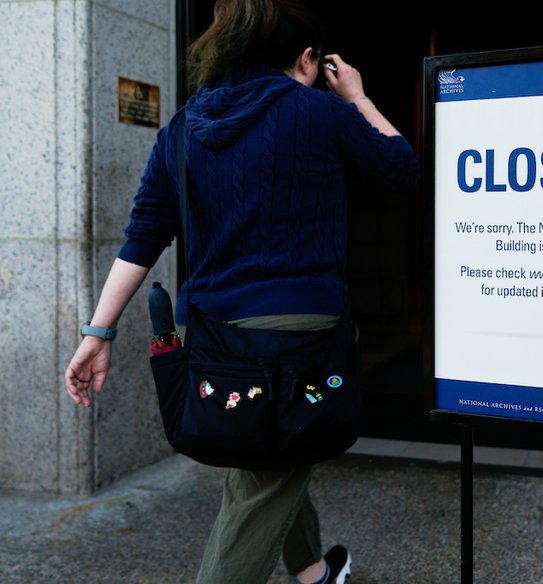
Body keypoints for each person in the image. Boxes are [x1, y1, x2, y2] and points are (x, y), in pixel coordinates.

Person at [62, 0, 420, 582]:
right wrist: (355, 95)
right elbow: (399, 167)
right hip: (294, 338)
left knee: (261, 451)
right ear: (307, 58)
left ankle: (310, 571)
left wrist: (98, 333)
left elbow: (143, 236)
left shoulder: (182, 128)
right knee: (259, 489)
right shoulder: (320, 113)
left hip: (208, 338)